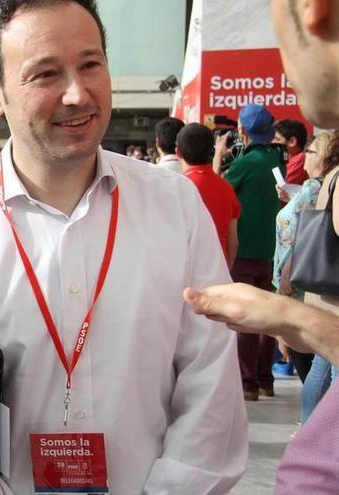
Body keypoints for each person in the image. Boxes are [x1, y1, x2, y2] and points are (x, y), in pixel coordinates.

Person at [0, 1, 247, 494]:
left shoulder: (174, 204)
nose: (77, 93)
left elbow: (211, 384)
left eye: (91, 64)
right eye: (46, 74)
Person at [187, 1, 339, 492]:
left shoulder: (239, 166)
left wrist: (299, 321)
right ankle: (263, 381)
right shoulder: (279, 161)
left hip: (260, 263)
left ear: (314, 12)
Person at [214, 103, 285, 401]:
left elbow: (217, 188)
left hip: (245, 250)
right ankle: (265, 379)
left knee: (244, 318)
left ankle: (247, 382)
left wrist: (219, 155)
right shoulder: (276, 158)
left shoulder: (245, 164)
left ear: (242, 129)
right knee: (267, 317)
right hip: (271, 249)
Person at [273, 131, 338, 421]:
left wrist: (287, 271)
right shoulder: (316, 186)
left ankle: (310, 428)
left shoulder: (316, 186)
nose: (304, 158)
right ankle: (313, 429)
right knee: (324, 363)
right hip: (313, 279)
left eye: (311, 153)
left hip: (309, 279)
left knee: (324, 364)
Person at [176, 123, 240, 266]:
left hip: (185, 274)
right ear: (212, 150)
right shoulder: (227, 188)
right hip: (218, 272)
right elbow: (233, 242)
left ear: (178, 152)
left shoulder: (176, 188)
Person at [274, 119, 310, 186]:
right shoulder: (283, 159)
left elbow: (279, 185)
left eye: (277, 139)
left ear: (292, 142)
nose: (272, 142)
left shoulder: (301, 158)